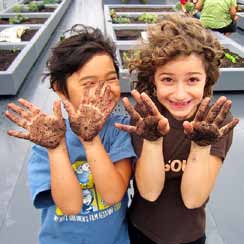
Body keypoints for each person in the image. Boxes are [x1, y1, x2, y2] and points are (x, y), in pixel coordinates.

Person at [5, 24, 136, 244]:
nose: (104, 90)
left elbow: (113, 195)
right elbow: (70, 206)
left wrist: (91, 140)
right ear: (59, 88)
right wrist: (56, 150)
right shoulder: (46, 142)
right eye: (89, 83)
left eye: (111, 79)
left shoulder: (120, 129)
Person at [115, 14, 239, 244]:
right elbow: (149, 193)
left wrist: (201, 146)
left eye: (192, 80)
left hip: (190, 237)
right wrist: (152, 141)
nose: (180, 94)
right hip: (141, 232)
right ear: (153, 79)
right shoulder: (145, 118)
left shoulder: (216, 122)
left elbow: (193, 199)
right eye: (168, 80)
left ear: (207, 79)